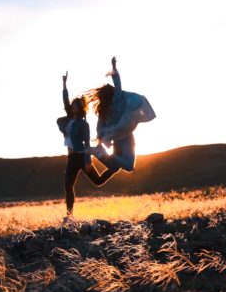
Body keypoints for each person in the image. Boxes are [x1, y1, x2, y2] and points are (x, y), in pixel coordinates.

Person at [86, 56, 156, 185]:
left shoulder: (103, 110)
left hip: (117, 139)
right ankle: (100, 153)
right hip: (127, 137)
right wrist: (114, 67)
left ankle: (100, 153)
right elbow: (117, 82)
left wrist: (101, 138)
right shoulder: (117, 98)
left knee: (116, 167)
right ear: (112, 93)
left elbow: (99, 126)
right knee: (128, 166)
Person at [61, 71, 102, 217]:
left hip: (81, 157)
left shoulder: (84, 125)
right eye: (72, 105)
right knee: (68, 186)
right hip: (71, 159)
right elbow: (65, 101)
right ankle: (69, 216)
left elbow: (86, 143)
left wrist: (88, 161)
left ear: (81, 108)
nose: (72, 107)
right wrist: (64, 84)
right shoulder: (69, 119)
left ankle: (114, 168)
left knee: (98, 182)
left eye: (76, 105)